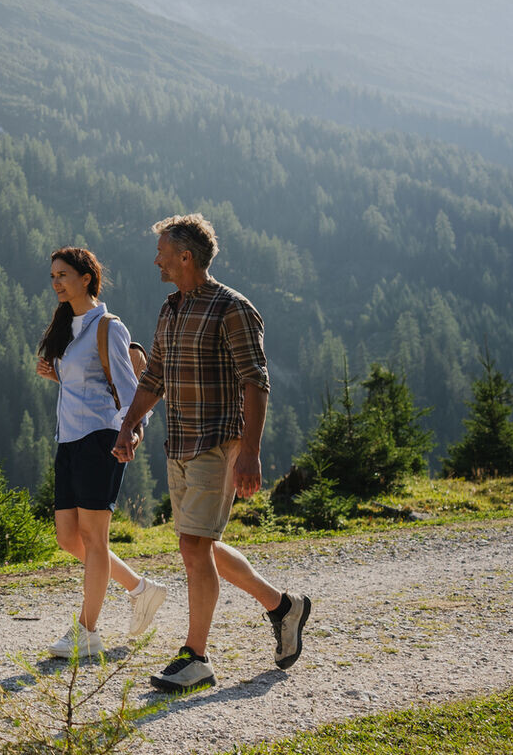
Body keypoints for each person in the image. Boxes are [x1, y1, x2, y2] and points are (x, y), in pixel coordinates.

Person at [112, 214, 312, 692]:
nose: (156, 261)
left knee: (193, 547)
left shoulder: (233, 309)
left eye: (162, 252)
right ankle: (284, 606)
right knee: (202, 544)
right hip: (179, 443)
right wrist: (128, 424)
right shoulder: (171, 308)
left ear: (185, 257)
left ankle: (196, 656)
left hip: (217, 443)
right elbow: (154, 377)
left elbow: (256, 382)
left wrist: (250, 452)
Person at [35, 245, 169, 659]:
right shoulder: (69, 325)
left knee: (94, 538)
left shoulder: (108, 327)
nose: (56, 283)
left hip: (101, 439)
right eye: (53, 276)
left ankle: (87, 631)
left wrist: (132, 432)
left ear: (86, 278)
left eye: (63, 275)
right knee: (67, 537)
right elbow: (89, 382)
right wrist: (58, 375)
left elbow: (131, 389)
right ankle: (140, 588)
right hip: (69, 439)